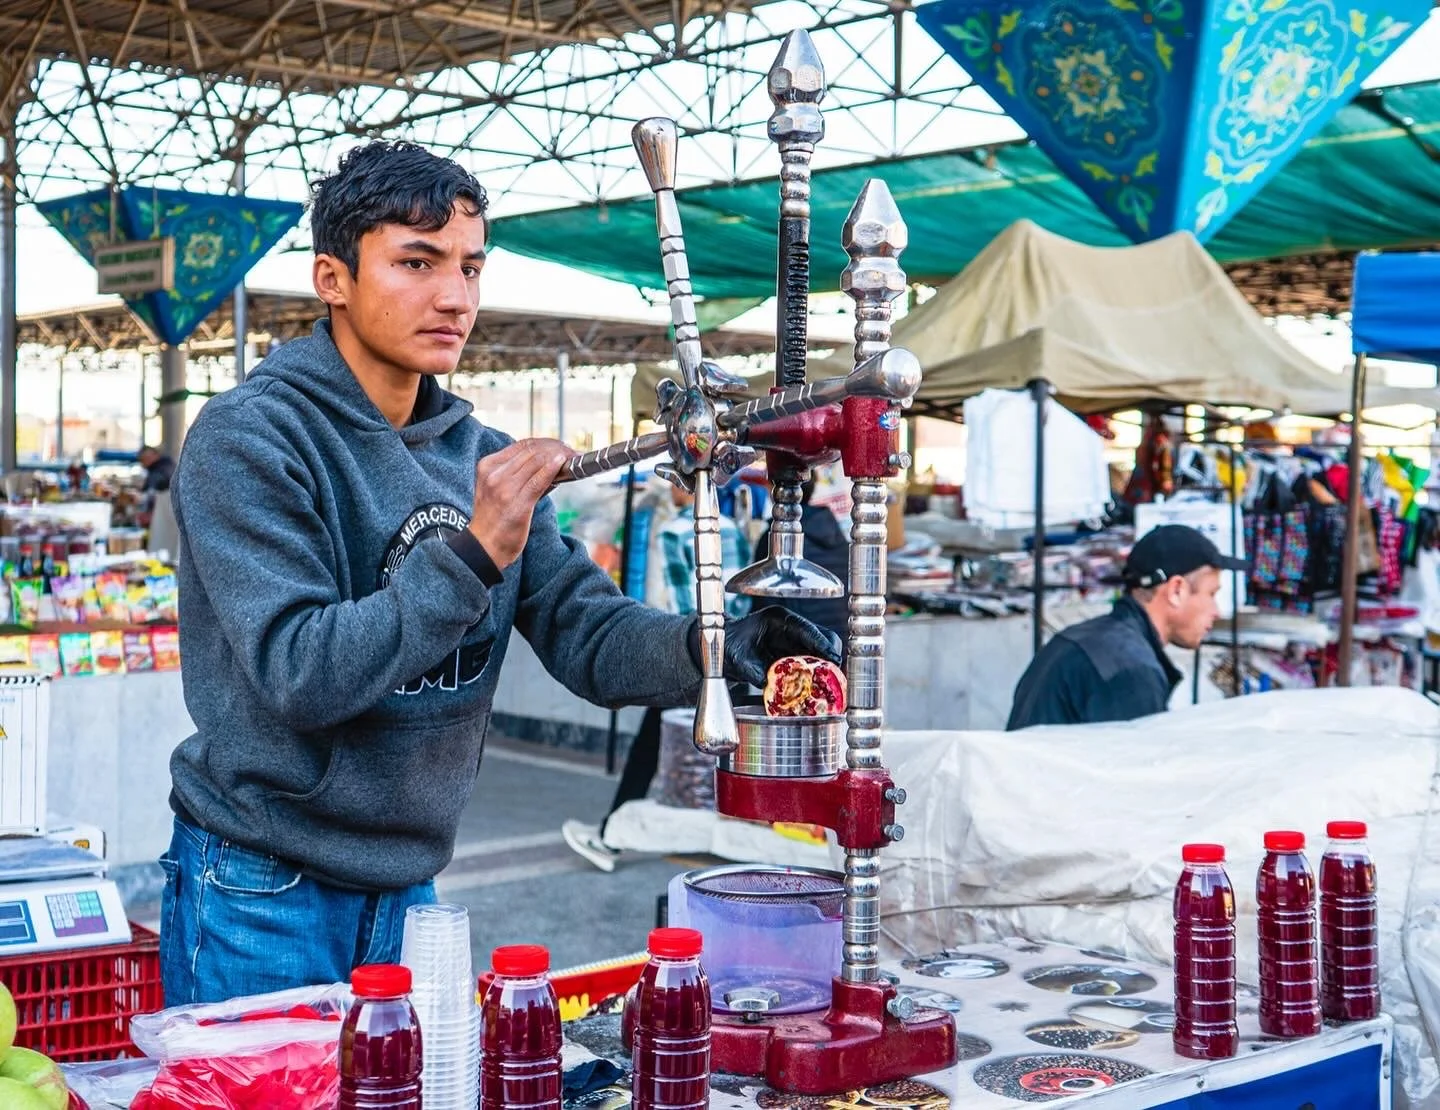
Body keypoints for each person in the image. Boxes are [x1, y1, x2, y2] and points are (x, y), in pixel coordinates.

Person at [160, 140, 840, 1005]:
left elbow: (587, 636)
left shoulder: (477, 457)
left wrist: (720, 646)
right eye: (416, 262)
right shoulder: (249, 440)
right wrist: (475, 551)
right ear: (333, 278)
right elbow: (302, 674)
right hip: (263, 883)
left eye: (471, 268)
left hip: (410, 889)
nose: (454, 297)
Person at [562, 480, 752, 872]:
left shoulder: (674, 531)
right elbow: (741, 597)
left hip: (695, 658)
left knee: (648, 751)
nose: (670, 489)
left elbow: (683, 602)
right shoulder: (731, 526)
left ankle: (609, 838)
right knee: (737, 753)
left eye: (676, 482)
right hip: (736, 654)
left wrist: (676, 650)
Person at [1006, 525, 1245, 730]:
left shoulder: (1087, 639)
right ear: (1176, 590)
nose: (1216, 611)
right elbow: (1132, 777)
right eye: (1211, 594)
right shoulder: (1131, 670)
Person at [752, 476, 850, 643]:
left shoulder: (773, 541)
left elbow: (764, 608)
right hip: (841, 643)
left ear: (775, 490)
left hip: (802, 644)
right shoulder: (837, 535)